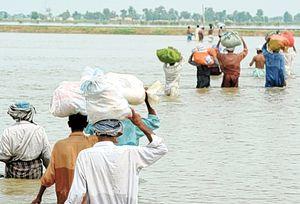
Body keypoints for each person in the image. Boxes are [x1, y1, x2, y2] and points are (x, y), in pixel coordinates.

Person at [65, 109, 168, 203]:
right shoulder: (130, 153)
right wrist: (140, 124)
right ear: (118, 134)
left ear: (96, 132)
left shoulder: (85, 156)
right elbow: (160, 148)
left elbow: (76, 194)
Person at [32, 114, 98, 204]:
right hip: (87, 199)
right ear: (86, 125)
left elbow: (49, 177)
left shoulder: (59, 145)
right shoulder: (94, 142)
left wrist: (39, 197)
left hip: (65, 198)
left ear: (68, 124)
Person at [85, 92, 160, 146]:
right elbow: (154, 122)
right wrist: (147, 101)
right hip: (130, 159)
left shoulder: (98, 124)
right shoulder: (133, 123)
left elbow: (85, 130)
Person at [0, 101, 51, 179]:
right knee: (34, 190)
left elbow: (4, 156)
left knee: (13, 190)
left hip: (13, 172)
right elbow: (47, 156)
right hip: (35, 172)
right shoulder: (39, 130)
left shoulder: (8, 131)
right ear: (29, 113)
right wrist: (50, 172)